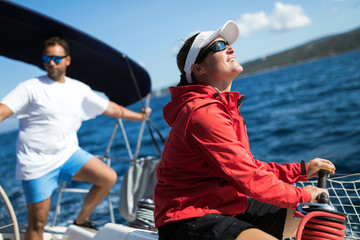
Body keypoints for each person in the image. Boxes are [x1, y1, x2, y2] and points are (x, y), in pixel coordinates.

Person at [153, 20, 336, 240]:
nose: (230, 48)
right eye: (219, 47)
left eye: (228, 44)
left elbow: (247, 167)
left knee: (317, 221)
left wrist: (301, 170)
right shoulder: (202, 114)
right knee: (305, 208)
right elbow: (247, 176)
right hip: (187, 221)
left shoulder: (223, 109)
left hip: (222, 208)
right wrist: (303, 194)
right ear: (198, 68)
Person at [0, 36, 151, 240]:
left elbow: (110, 108)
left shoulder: (78, 89)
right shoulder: (30, 87)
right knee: (37, 224)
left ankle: (80, 220)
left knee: (107, 177)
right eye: (47, 58)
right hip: (36, 163)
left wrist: (139, 117)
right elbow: (2, 111)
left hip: (68, 154)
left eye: (56, 58)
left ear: (67, 60)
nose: (51, 62)